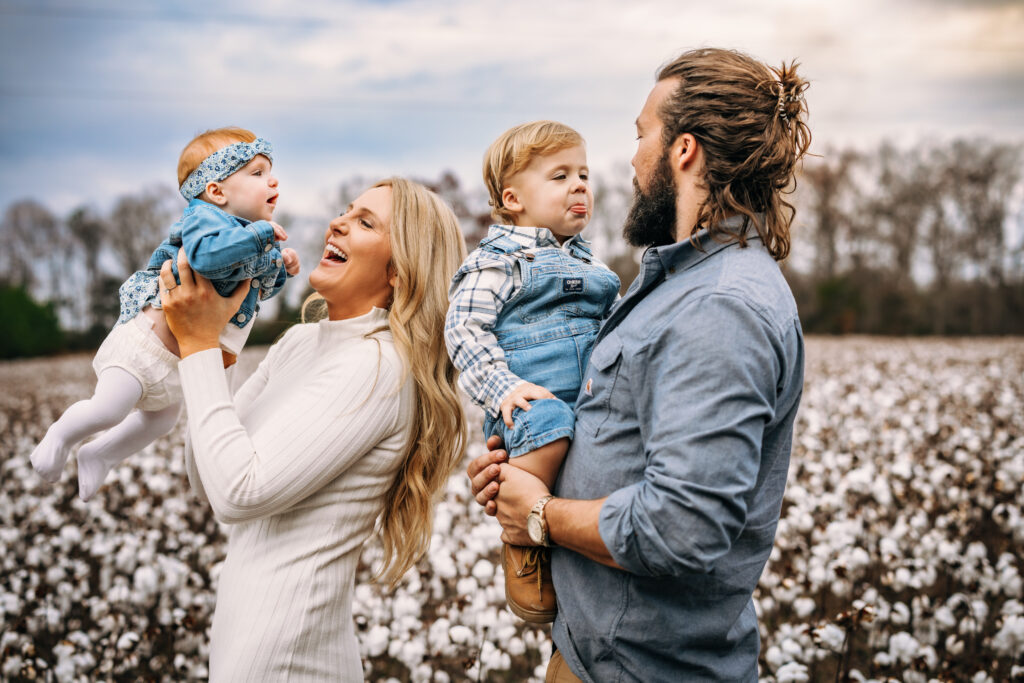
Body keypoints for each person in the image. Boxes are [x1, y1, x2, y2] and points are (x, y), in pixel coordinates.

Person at [468, 47, 811, 681]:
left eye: (640, 135)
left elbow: (682, 527)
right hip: (593, 651)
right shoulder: (671, 282)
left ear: (683, 151)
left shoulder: (721, 306)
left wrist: (540, 515)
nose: (629, 159)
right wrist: (527, 466)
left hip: (642, 666)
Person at [161, 178, 467, 681]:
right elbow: (205, 475)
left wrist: (196, 344)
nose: (337, 222)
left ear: (399, 270)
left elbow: (239, 493)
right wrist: (220, 344)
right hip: (244, 646)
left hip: (286, 659)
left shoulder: (377, 365)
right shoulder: (301, 344)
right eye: (346, 211)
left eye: (365, 222)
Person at [30, 127, 300, 501]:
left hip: (176, 364)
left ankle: (100, 454)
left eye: (270, 171)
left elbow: (255, 294)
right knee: (109, 409)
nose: (272, 180)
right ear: (215, 192)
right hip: (144, 349)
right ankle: (59, 437)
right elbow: (207, 257)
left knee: (160, 421)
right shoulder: (205, 221)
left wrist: (280, 268)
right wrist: (261, 238)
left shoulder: (246, 238)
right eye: (257, 173)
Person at [445, 121, 620, 622]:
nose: (580, 185)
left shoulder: (597, 270)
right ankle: (523, 536)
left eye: (583, 174)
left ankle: (569, 536)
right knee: (546, 425)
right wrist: (504, 388)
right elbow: (463, 329)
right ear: (513, 198)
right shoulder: (496, 262)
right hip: (527, 404)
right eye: (560, 175)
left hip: (588, 399)